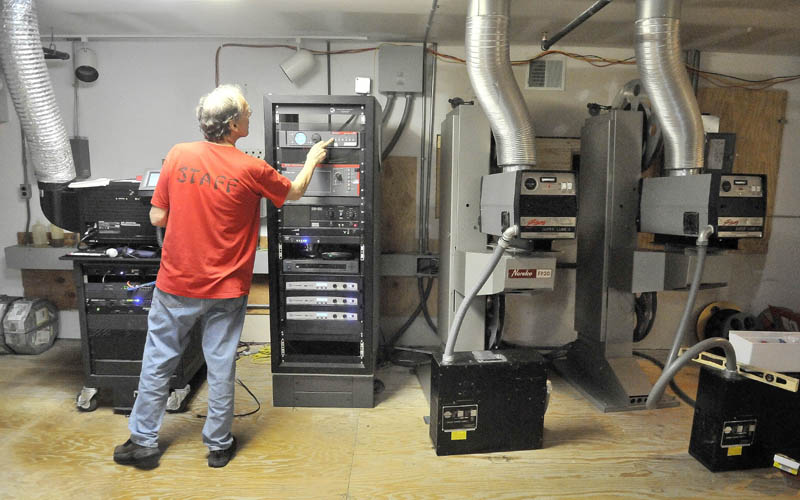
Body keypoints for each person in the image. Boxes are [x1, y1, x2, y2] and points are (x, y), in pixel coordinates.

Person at [113, 84, 332, 469]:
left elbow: (157, 217)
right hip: (226, 288)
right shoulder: (252, 168)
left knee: (158, 361)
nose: (249, 116)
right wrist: (313, 157)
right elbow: (294, 191)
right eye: (246, 112)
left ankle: (143, 441)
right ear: (234, 126)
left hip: (175, 284)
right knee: (221, 363)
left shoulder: (179, 154)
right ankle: (217, 445)